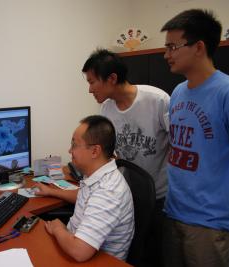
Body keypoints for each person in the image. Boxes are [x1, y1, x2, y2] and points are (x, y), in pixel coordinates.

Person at [160, 9, 229, 267]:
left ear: (199, 47)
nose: (166, 54)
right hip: (173, 212)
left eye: (173, 46)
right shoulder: (179, 92)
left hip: (211, 224)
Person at [82, 48, 170, 266]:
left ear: (112, 78)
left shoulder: (158, 100)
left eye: (92, 82)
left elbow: (180, 144)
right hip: (128, 193)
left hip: (162, 195)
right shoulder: (107, 109)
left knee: (156, 254)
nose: (89, 89)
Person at [34, 115, 134, 262]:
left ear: (94, 151)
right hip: (79, 245)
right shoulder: (97, 173)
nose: (69, 150)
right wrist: (51, 192)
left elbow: (79, 252)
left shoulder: (109, 191)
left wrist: (58, 229)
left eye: (74, 145)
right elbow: (85, 196)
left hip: (96, 260)